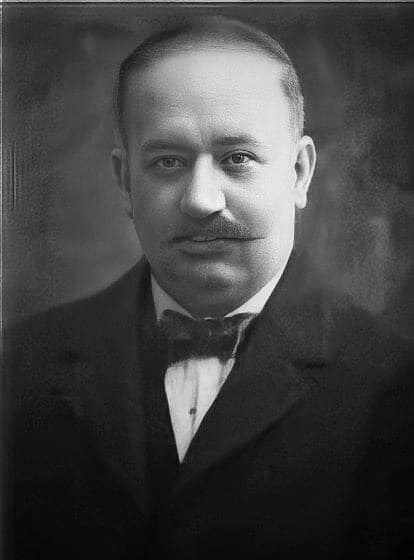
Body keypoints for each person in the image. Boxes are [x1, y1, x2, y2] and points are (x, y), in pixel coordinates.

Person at [5, 16, 414, 560]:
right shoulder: (18, 366)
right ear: (125, 181)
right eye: (168, 162)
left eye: (237, 158)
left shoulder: (396, 388)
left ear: (299, 172)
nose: (201, 200)